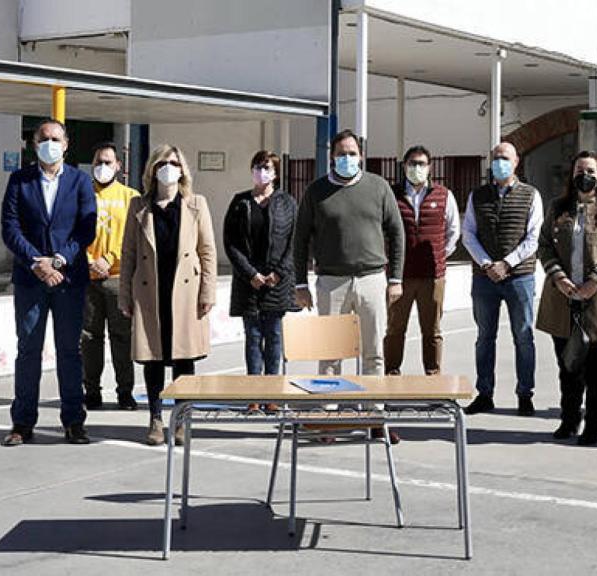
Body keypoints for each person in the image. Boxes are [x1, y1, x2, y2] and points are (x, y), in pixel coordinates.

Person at [0, 118, 97, 446]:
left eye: (56, 138)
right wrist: (36, 262)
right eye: (44, 138)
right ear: (34, 143)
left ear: (66, 144)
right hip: (30, 280)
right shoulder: (19, 180)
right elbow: (10, 228)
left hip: (68, 279)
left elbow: (86, 229)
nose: (50, 143)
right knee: (28, 351)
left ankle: (73, 422)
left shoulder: (81, 182)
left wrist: (58, 260)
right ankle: (22, 423)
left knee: (69, 352)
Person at [119, 145, 217, 446]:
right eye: (163, 162)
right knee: (153, 358)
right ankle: (155, 419)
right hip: (150, 289)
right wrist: (124, 294)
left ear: (183, 169)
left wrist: (208, 291)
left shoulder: (196, 204)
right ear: (152, 169)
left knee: (183, 359)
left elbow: (207, 250)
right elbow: (129, 254)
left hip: (186, 292)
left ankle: (182, 419)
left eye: (175, 162)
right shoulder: (139, 206)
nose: (169, 168)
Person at [293, 129, 405, 376]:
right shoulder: (316, 191)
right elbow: (300, 239)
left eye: (352, 153)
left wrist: (395, 279)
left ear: (361, 156)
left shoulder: (379, 187)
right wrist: (300, 284)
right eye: (342, 153)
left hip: (372, 280)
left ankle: (371, 407)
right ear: (332, 156)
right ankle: (330, 407)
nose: (347, 158)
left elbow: (397, 233)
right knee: (330, 353)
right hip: (331, 283)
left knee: (374, 352)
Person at [536, 151, 597, 445]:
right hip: (564, 300)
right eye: (579, 170)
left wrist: (594, 282)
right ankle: (569, 419)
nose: (584, 175)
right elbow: (544, 246)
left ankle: (594, 425)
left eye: (590, 170)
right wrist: (559, 278)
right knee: (569, 366)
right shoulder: (558, 208)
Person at [461, 141, 543, 416]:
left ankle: (525, 394)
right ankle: (485, 393)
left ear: (517, 161)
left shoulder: (531, 195)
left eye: (505, 158)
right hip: (485, 279)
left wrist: (507, 263)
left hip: (520, 277)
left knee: (523, 336)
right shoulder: (477, 195)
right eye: (496, 158)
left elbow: (534, 237)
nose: (500, 162)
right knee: (485, 337)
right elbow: (468, 234)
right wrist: (487, 264)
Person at [383, 145, 461, 375]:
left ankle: (433, 377)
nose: (417, 168)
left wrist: (439, 254)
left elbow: (453, 230)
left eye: (421, 164)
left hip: (433, 276)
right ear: (404, 166)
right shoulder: (391, 194)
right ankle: (392, 375)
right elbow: (381, 229)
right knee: (395, 329)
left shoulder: (443, 195)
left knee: (432, 330)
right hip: (400, 276)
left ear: (429, 167)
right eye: (412, 163)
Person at [224, 151, 297, 377]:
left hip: (277, 283)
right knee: (253, 337)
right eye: (257, 167)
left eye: (267, 168)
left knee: (274, 336)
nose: (261, 172)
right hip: (250, 283)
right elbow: (230, 242)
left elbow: (295, 241)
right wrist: (250, 274)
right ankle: (254, 392)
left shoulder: (287, 202)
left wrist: (279, 272)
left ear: (275, 174)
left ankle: (272, 391)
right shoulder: (240, 202)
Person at [81, 142, 140, 411]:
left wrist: (110, 258)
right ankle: (91, 391)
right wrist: (89, 261)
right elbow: (71, 231)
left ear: (118, 165)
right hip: (87, 277)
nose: (102, 167)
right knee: (89, 338)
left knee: (121, 338)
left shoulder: (131, 197)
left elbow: (134, 238)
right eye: (98, 161)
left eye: (107, 162)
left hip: (118, 278)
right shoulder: (80, 193)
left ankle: (125, 392)